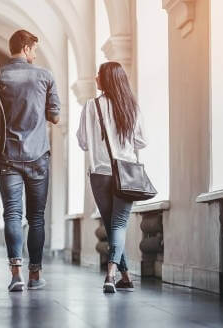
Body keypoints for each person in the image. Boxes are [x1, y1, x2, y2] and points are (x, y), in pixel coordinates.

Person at [0, 30, 61, 292]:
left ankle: (16, 274)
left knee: (11, 214)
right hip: (38, 156)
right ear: (25, 48)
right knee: (36, 218)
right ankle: (35, 275)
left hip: (7, 156)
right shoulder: (45, 76)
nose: (35, 54)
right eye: (34, 49)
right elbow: (55, 116)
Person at [77, 61, 147, 293]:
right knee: (117, 226)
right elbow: (141, 141)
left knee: (111, 225)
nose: (96, 77)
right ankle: (122, 276)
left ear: (107, 79)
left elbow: (83, 142)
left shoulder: (91, 106)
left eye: (99, 74)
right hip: (126, 173)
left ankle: (113, 275)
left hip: (100, 174)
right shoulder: (132, 107)